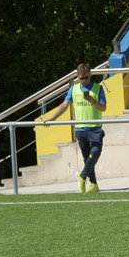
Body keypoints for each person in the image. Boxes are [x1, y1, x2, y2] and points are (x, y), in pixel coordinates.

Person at [43, 62, 107, 193]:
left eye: (86, 78)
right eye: (81, 78)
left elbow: (103, 108)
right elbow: (64, 105)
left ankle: (82, 175)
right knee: (86, 158)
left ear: (90, 75)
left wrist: (93, 101)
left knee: (95, 153)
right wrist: (52, 118)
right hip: (80, 129)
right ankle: (94, 184)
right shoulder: (74, 89)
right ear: (77, 76)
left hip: (95, 128)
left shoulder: (98, 88)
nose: (84, 80)